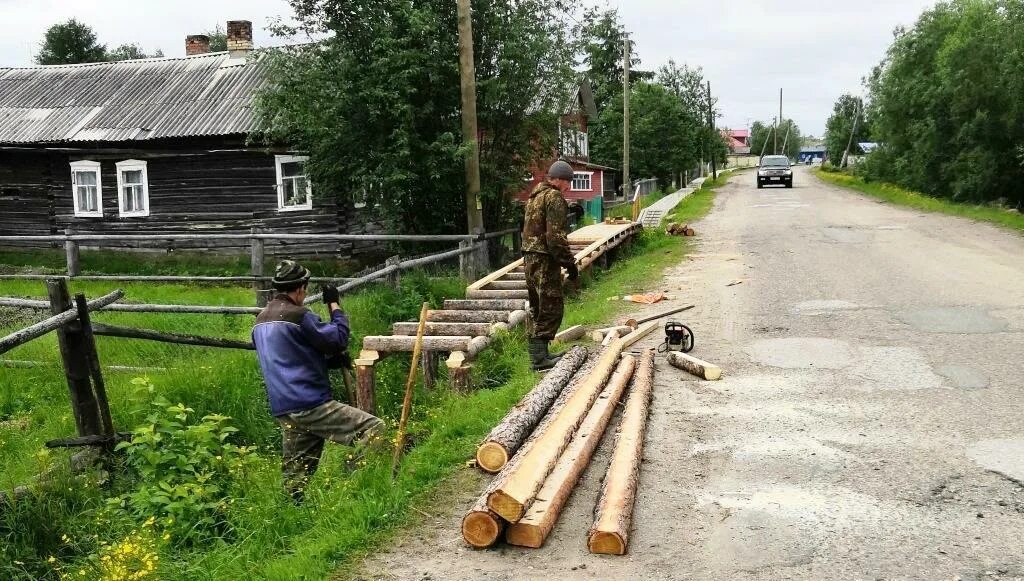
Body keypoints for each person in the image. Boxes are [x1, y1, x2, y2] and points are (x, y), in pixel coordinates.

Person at [252, 260, 384, 502]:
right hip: (310, 403)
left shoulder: (260, 321)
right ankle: (352, 490)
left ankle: (289, 515)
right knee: (373, 429)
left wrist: (326, 363)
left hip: (284, 407)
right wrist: (334, 305)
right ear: (301, 288)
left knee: (296, 476)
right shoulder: (299, 315)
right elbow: (338, 339)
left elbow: (290, 356)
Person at [521, 160, 580, 370]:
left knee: (538, 306)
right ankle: (539, 360)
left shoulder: (534, 197)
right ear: (560, 179)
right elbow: (555, 237)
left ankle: (542, 355)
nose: (568, 188)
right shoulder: (554, 197)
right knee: (551, 306)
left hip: (529, 258)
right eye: (568, 183)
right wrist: (569, 264)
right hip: (545, 259)